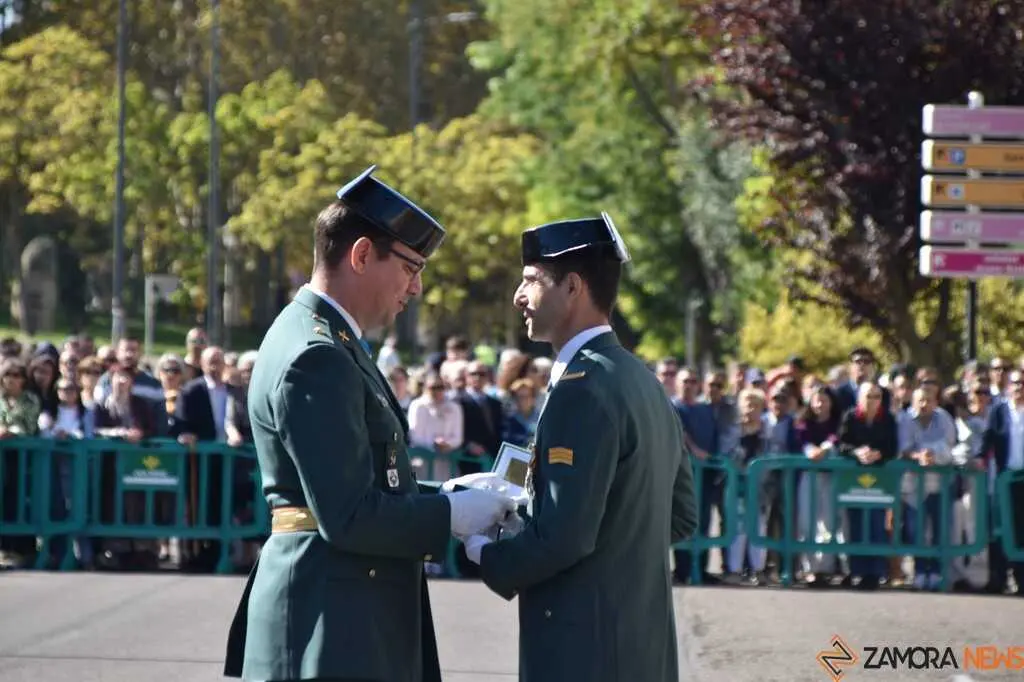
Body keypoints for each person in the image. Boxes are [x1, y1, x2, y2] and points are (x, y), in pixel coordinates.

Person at [223, 165, 516, 682]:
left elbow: (364, 479)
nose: (416, 287)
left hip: (341, 603)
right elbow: (349, 513)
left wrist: (445, 493)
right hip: (331, 616)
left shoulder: (327, 339)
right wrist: (450, 513)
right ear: (361, 255)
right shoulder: (317, 354)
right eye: (410, 267)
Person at [460, 213, 699, 682]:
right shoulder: (641, 380)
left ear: (572, 287)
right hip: (639, 643)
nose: (519, 296)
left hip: (583, 648)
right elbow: (680, 516)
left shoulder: (582, 389)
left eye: (531, 280)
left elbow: (565, 537)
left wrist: (485, 552)